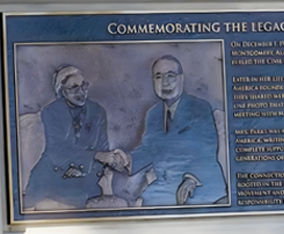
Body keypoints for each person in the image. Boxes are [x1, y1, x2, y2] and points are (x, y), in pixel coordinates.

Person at [130, 55, 226, 206]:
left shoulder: (199, 108)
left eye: (170, 76)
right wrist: (127, 161)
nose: (165, 82)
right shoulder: (153, 114)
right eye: (159, 77)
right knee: (139, 204)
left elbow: (206, 151)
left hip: (200, 183)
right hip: (165, 186)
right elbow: (148, 149)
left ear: (181, 79)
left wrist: (191, 178)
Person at [23, 65, 122, 210]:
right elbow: (56, 151)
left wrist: (86, 167)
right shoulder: (50, 113)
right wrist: (93, 156)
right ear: (62, 91)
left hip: (87, 172)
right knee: (38, 200)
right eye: (74, 88)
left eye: (83, 86)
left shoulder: (98, 112)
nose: (81, 92)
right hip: (51, 171)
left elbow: (103, 149)